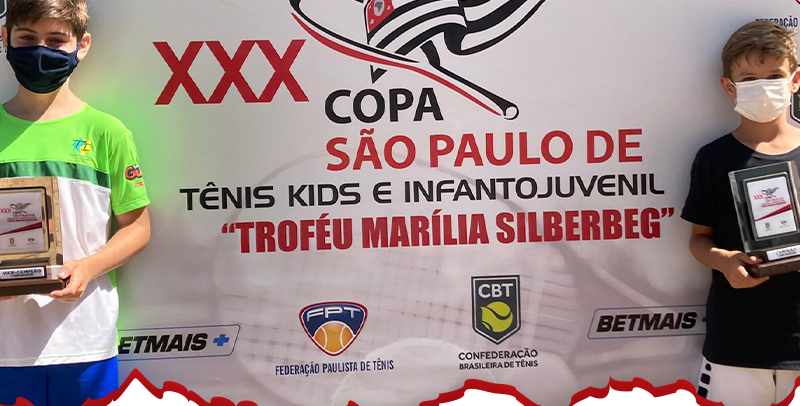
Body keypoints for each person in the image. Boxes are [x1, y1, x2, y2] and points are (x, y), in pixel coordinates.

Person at [0, 0, 151, 404]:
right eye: (27, 38)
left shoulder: (107, 132)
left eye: (56, 40)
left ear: (81, 45)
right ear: (5, 38)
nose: (41, 51)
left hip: (86, 342)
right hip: (4, 349)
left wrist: (88, 267)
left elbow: (137, 226)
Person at [682, 20, 800, 406]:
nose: (763, 87)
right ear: (728, 87)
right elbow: (699, 240)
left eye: (775, 76)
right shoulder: (714, 158)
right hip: (738, 344)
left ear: (795, 80)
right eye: (749, 78)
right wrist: (725, 261)